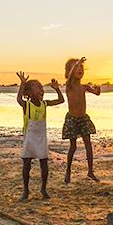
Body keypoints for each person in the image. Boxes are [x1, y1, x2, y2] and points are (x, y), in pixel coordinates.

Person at [16, 72, 64, 200]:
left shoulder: (44, 104)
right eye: (38, 88)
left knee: (44, 163)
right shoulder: (27, 105)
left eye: (42, 88)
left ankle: (43, 189)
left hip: (41, 138)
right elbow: (19, 99)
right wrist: (22, 84)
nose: (41, 90)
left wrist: (57, 88)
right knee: (27, 164)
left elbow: (61, 100)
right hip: (30, 139)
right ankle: (26, 190)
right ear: (29, 93)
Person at [62, 57, 101, 183]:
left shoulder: (84, 87)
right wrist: (77, 63)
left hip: (83, 118)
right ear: (70, 71)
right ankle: (68, 171)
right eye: (77, 67)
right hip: (72, 119)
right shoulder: (69, 86)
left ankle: (90, 171)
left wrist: (98, 89)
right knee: (72, 146)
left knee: (88, 145)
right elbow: (68, 79)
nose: (80, 69)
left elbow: (97, 93)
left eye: (81, 68)